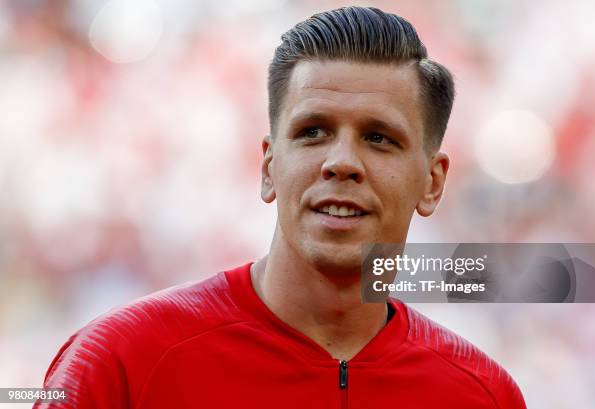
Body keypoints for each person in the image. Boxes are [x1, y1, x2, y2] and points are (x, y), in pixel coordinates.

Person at [35, 6, 526, 408]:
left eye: (379, 138)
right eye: (313, 131)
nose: (341, 162)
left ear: (433, 183)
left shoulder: (483, 394)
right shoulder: (121, 364)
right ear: (269, 167)